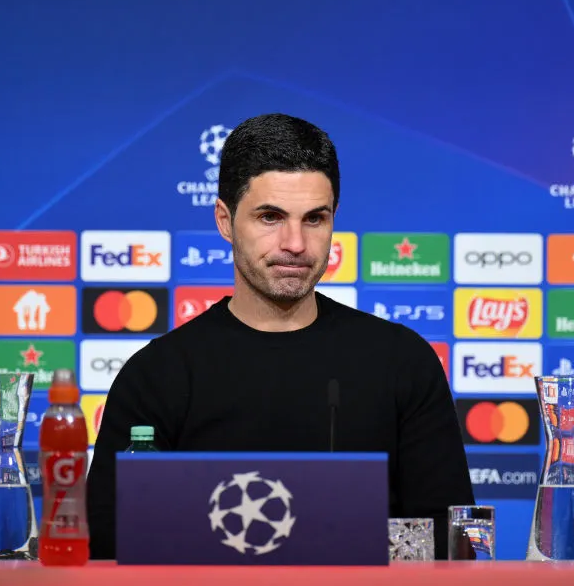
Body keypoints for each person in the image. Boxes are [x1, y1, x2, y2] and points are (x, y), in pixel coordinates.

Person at [86, 113, 474, 560]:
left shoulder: (403, 361)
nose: (295, 243)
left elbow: (450, 547)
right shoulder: (157, 375)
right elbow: (110, 550)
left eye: (315, 219)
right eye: (270, 217)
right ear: (225, 221)